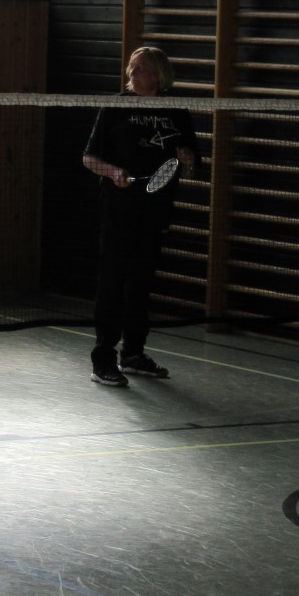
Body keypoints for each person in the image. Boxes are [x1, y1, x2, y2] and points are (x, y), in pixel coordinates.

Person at [81, 46, 197, 386]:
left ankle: (133, 353)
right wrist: (113, 172)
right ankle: (103, 359)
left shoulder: (176, 111)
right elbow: (89, 157)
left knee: (141, 283)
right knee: (112, 283)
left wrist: (187, 158)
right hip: (118, 211)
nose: (132, 72)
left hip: (156, 211)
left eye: (141, 67)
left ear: (159, 75)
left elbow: (190, 163)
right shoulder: (116, 106)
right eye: (131, 67)